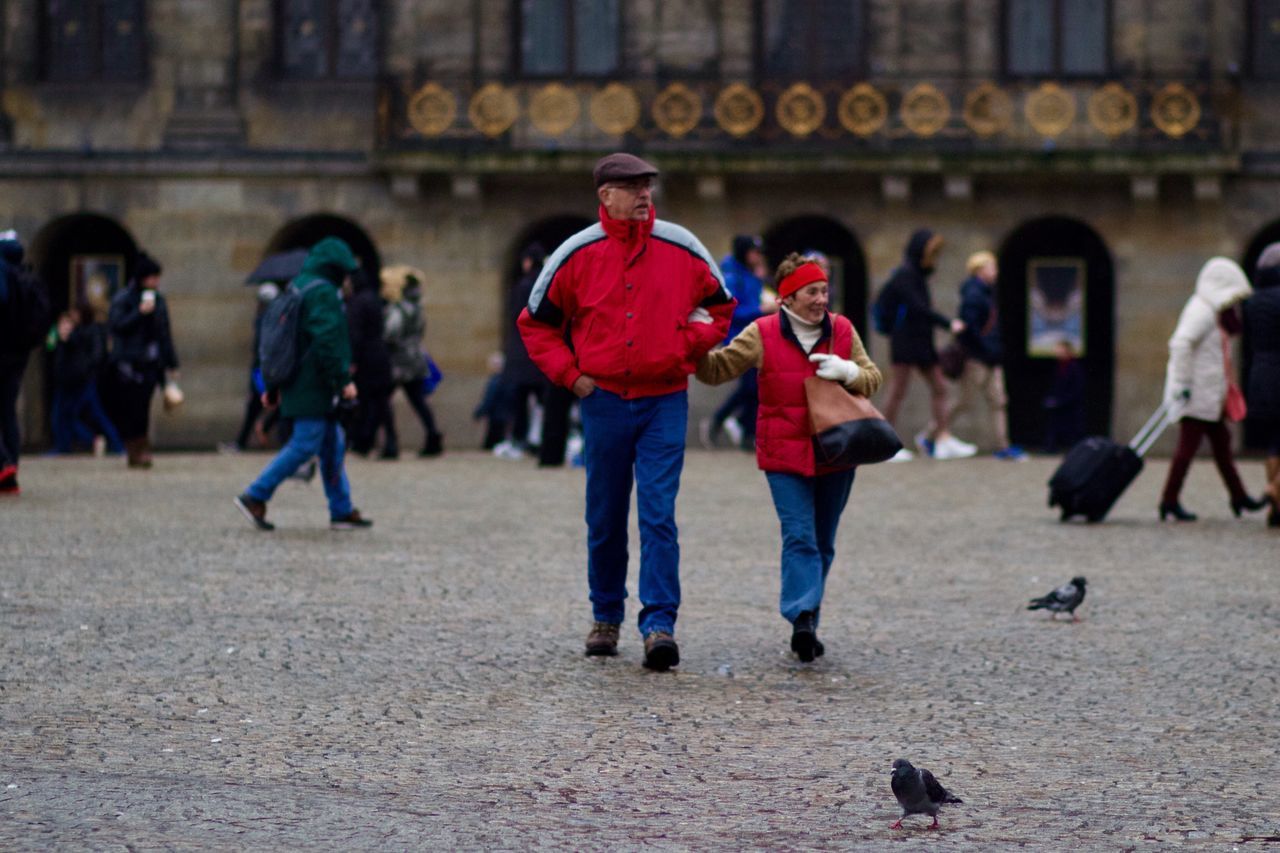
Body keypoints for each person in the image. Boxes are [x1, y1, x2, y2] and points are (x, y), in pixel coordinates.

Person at [517, 152, 735, 670]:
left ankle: (659, 624)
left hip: (664, 400)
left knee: (659, 514)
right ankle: (606, 617)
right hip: (605, 401)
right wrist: (572, 377)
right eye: (632, 186)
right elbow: (536, 323)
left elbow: (721, 305)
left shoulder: (682, 246)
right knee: (606, 514)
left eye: (648, 186)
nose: (644, 194)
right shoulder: (576, 254)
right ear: (605, 196)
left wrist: (686, 345)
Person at [696, 253, 882, 661]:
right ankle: (801, 618)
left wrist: (847, 372)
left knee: (823, 540)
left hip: (836, 448)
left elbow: (872, 378)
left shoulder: (843, 330)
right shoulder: (761, 333)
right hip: (783, 453)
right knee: (799, 535)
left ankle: (810, 616)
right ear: (788, 298)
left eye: (823, 290)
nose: (820, 299)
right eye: (811, 292)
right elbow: (716, 370)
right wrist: (695, 336)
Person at [234, 237, 372, 531]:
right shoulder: (323, 292)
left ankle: (341, 509)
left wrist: (274, 386)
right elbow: (327, 341)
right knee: (304, 443)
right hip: (315, 383)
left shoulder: (298, 285)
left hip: (299, 379)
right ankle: (255, 494)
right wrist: (342, 381)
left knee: (331, 443)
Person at [1158, 257, 1267, 522]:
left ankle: (1238, 496)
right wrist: (1183, 385)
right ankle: (1169, 500)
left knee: (1222, 447)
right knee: (1188, 449)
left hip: (1208, 395)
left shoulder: (1212, 311)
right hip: (1196, 395)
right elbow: (1181, 344)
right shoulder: (1202, 311)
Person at [875, 229, 972, 461]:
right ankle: (883, 443)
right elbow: (919, 308)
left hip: (921, 341)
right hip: (905, 341)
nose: (934, 258)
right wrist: (949, 323)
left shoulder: (917, 275)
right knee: (898, 390)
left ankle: (941, 438)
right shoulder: (906, 275)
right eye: (931, 252)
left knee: (940, 388)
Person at [947, 251, 1024, 460]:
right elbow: (970, 327)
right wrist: (985, 349)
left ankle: (1002, 445)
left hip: (992, 357)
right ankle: (932, 434)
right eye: (992, 267)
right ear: (980, 270)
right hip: (978, 358)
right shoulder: (974, 294)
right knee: (964, 400)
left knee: (998, 401)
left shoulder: (987, 293)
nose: (995, 272)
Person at [105, 252, 179, 469]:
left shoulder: (159, 300)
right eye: (152, 278)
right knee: (130, 407)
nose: (155, 282)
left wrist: (172, 362)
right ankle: (133, 448)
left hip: (151, 361)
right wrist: (139, 313)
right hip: (128, 361)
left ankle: (142, 448)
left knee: (144, 406)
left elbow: (164, 333)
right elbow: (117, 326)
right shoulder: (124, 299)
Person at [700, 234, 767, 451]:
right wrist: (761, 311)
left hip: (754, 337)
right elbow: (733, 310)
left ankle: (745, 432)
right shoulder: (730, 276)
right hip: (737, 339)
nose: (758, 256)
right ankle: (722, 421)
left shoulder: (750, 274)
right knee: (750, 387)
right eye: (754, 252)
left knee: (754, 387)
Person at [0, 231, 50, 495]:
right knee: (7, 411)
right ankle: (11, 473)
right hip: (19, 354)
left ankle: (3, 464)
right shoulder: (27, 277)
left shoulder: (2, 275)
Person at [381, 264, 444, 458]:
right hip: (416, 357)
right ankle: (433, 435)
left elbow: (391, 332)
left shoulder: (399, 308)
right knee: (418, 401)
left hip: (399, 361)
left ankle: (391, 442)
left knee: (383, 400)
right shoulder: (418, 307)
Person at [496, 243, 550, 459]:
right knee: (541, 401)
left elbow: (514, 314)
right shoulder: (544, 283)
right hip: (540, 349)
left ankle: (521, 438)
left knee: (520, 400)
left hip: (522, 350)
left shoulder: (522, 285)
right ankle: (541, 439)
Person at [49, 304, 123, 455]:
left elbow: (93, 355)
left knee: (83, 415)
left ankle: (109, 444)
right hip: (67, 381)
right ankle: (67, 445)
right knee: (63, 416)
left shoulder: (85, 332)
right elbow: (52, 350)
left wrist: (87, 371)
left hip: (81, 381)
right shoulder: (69, 333)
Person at [223, 282, 281, 453]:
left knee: (257, 405)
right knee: (266, 403)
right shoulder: (272, 319)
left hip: (262, 368)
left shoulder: (263, 319)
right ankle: (262, 430)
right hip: (268, 368)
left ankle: (252, 435)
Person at [1246, 244, 1280, 527]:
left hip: (1260, 374)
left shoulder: (1254, 301)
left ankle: (1277, 507)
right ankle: (1275, 489)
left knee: (1274, 443)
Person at [345, 268, 395, 457]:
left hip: (366, 357)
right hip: (380, 354)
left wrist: (352, 359)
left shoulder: (357, 303)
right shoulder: (374, 299)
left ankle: (366, 441)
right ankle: (385, 441)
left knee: (366, 401)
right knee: (381, 402)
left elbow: (355, 334)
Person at [1042, 339, 1086, 453]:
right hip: (1060, 402)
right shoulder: (1059, 366)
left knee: (1072, 428)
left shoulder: (1074, 367)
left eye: (1060, 349)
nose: (1057, 352)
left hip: (1070, 404)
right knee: (1053, 424)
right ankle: (1051, 447)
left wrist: (1062, 400)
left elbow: (1077, 388)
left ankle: (1074, 449)